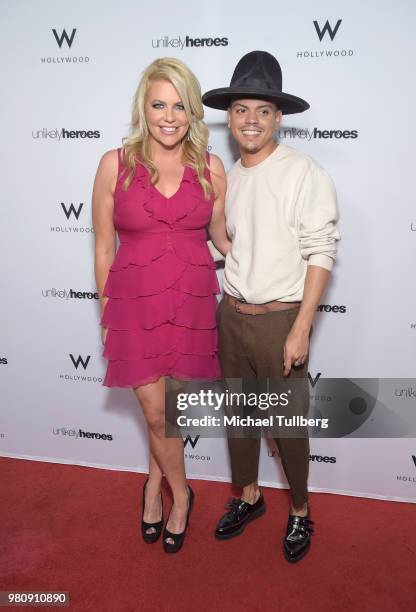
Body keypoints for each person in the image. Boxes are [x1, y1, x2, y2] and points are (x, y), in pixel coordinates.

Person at [202, 50, 340, 562]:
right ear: (230, 116)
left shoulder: (304, 172)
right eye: (241, 110)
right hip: (232, 315)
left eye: (262, 110)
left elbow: (320, 250)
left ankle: (301, 509)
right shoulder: (230, 176)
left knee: (287, 426)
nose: (251, 120)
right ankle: (250, 496)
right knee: (239, 419)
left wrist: (302, 327)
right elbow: (231, 241)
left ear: (279, 117)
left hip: (282, 318)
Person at [92, 57, 229, 553]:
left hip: (190, 304)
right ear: (143, 108)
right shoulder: (115, 164)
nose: (168, 116)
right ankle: (182, 493)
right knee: (156, 413)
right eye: (158, 104)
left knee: (169, 414)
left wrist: (274, 265)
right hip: (134, 306)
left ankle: (154, 485)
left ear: (192, 112)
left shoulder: (211, 168)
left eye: (179, 106)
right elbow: (104, 248)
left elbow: (220, 239)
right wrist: (106, 314)